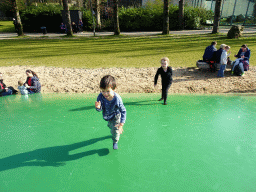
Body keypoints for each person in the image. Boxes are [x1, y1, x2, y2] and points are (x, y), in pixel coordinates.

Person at [95, 75, 126, 150]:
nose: (105, 94)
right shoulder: (100, 96)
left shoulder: (117, 99)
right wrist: (98, 108)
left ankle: (115, 141)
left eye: (108, 91)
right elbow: (100, 109)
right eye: (103, 91)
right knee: (110, 126)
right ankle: (113, 130)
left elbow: (123, 111)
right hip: (107, 116)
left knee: (115, 130)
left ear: (114, 89)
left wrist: (121, 124)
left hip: (116, 116)